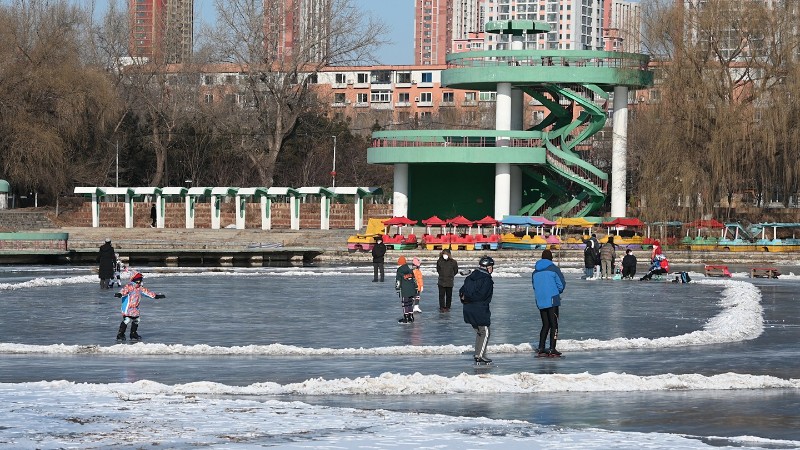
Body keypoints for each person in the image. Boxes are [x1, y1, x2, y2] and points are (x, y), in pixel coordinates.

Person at [459, 256, 495, 364]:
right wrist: (470, 299)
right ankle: (479, 355)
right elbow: (482, 295)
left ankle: (478, 354)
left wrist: (465, 299)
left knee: (480, 332)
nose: (492, 269)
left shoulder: (470, 277)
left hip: (468, 309)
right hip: (479, 309)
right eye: (491, 266)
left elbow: (462, 291)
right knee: (486, 332)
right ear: (488, 267)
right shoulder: (486, 279)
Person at [532, 249, 566, 357]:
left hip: (540, 300)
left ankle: (541, 348)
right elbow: (561, 284)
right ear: (551, 258)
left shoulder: (535, 271)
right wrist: (557, 292)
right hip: (552, 299)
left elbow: (534, 286)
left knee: (545, 324)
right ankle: (552, 348)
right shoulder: (554, 269)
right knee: (554, 324)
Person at [114, 272, 165, 341]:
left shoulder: (140, 288)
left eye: (141, 280)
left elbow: (148, 293)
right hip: (127, 308)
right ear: (136, 280)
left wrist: (156, 296)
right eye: (139, 280)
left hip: (135, 308)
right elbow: (124, 291)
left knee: (137, 320)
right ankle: (120, 334)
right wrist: (120, 294)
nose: (140, 282)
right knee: (127, 320)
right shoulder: (129, 286)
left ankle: (133, 333)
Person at [395, 256, 417, 323]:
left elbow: (398, 281)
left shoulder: (399, 270)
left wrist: (397, 289)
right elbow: (414, 280)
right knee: (410, 303)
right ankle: (411, 317)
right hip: (412, 290)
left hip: (405, 290)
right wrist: (415, 288)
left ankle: (406, 317)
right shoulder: (410, 270)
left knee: (405, 304)